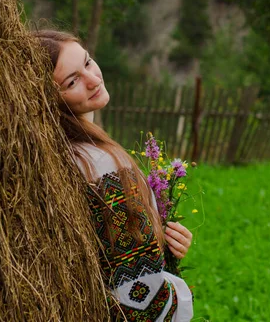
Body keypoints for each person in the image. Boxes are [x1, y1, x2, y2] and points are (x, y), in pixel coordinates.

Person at [31, 29, 194, 322]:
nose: (93, 79)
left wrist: (162, 242)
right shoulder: (101, 165)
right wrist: (173, 291)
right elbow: (139, 294)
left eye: (88, 62)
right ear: (48, 98)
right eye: (72, 81)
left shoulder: (61, 154)